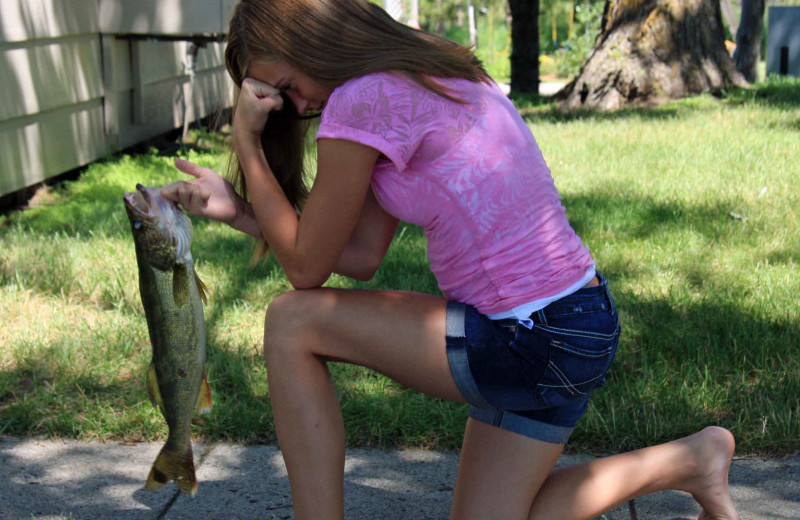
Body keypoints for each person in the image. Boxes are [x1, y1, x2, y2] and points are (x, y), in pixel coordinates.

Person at [162, 1, 741, 519]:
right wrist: (241, 210)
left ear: (311, 39)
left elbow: (306, 271)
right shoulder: (418, 65)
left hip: (528, 335)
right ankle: (691, 460)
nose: (293, 105)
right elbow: (360, 255)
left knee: (291, 320)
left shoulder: (363, 100)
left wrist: (246, 141)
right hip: (575, 323)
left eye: (284, 85)